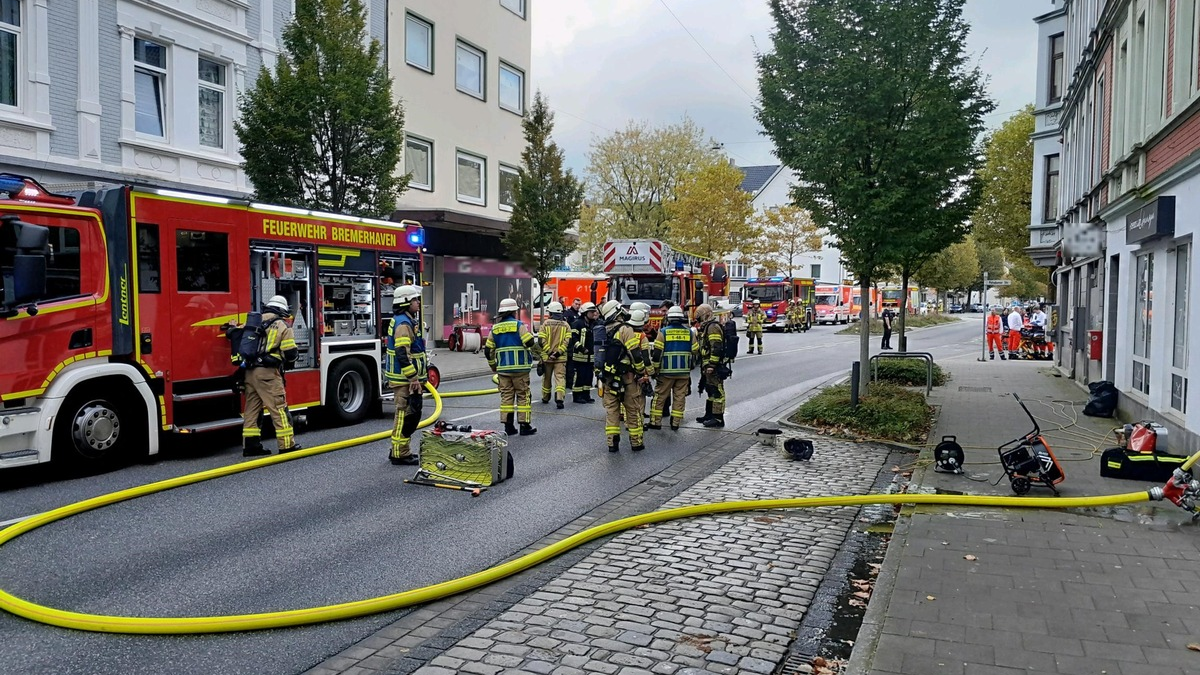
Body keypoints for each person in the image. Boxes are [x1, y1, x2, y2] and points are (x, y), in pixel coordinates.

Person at [239, 295, 300, 457]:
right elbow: (291, 353)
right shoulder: (282, 326)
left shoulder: (252, 322)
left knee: (251, 410)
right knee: (278, 408)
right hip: (268, 374)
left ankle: (251, 446)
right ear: (282, 310)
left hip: (249, 372)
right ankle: (287, 445)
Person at [485, 298, 543, 436]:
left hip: (503, 370)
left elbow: (488, 351)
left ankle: (508, 427)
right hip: (520, 369)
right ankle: (524, 426)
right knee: (523, 396)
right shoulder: (518, 325)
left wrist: (493, 366)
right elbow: (529, 342)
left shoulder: (495, 328)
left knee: (506, 397)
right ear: (513, 311)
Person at [384, 285, 427, 465]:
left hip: (406, 379)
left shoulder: (406, 320)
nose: (418, 302)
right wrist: (413, 378)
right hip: (404, 380)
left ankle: (401, 450)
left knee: (410, 414)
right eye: (415, 300)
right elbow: (402, 353)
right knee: (404, 414)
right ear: (406, 302)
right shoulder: (403, 324)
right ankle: (399, 453)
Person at [601, 305, 650, 452]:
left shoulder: (601, 330)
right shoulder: (625, 329)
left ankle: (612, 443)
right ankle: (636, 443)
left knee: (612, 410)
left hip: (608, 376)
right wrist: (642, 372)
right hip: (627, 377)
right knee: (633, 409)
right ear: (618, 313)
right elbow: (635, 354)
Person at [648, 306, 697, 431]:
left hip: (666, 372)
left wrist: (655, 369)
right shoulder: (689, 332)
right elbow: (696, 350)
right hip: (683, 372)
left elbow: (657, 353)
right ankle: (675, 423)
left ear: (669, 318)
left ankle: (655, 422)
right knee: (679, 397)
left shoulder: (663, 332)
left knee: (659, 397)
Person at [694, 304, 729, 428]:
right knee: (710, 389)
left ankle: (718, 419)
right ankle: (709, 415)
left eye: (699, 318)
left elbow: (716, 347)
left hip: (714, 366)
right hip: (707, 365)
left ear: (706, 315)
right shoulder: (706, 327)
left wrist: (712, 365)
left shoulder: (713, 327)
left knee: (717, 391)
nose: (698, 321)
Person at [539, 301, 572, 409]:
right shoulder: (566, 325)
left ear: (551, 313)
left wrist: (549, 352)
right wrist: (558, 353)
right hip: (560, 358)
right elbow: (567, 342)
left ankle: (545, 397)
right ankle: (559, 399)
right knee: (560, 378)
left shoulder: (545, 324)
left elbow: (541, 340)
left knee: (547, 378)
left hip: (547, 357)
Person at [570, 302, 599, 403]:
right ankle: (577, 396)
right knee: (580, 376)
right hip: (579, 356)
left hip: (590, 357)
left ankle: (586, 395)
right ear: (585, 313)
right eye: (591, 312)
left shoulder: (593, 324)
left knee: (589, 376)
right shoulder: (577, 323)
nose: (593, 314)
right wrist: (581, 348)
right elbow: (573, 338)